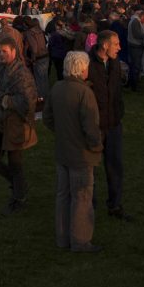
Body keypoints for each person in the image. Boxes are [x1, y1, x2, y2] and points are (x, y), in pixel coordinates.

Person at [43, 51, 104, 252]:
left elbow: (47, 118)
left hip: (63, 150)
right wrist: (96, 146)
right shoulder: (84, 93)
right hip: (81, 154)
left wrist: (62, 132)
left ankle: (63, 238)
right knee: (82, 197)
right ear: (81, 68)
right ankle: (80, 240)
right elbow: (91, 126)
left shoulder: (57, 87)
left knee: (63, 195)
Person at [0, 34, 38, 216]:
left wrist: (6, 100)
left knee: (15, 163)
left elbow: (28, 100)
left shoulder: (21, 73)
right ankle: (19, 187)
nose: (1, 55)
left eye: (4, 51)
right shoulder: (0, 70)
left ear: (14, 51)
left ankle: (18, 197)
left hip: (15, 125)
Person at [87, 30, 132, 221]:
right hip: (95, 126)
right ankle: (89, 208)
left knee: (115, 166)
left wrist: (118, 113)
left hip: (113, 123)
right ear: (105, 45)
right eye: (116, 44)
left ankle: (115, 205)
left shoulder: (114, 63)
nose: (119, 47)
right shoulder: (87, 64)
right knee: (90, 169)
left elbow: (116, 91)